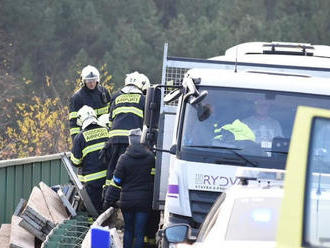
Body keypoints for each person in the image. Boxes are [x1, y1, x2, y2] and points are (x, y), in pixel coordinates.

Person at [102, 71, 150, 209]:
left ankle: (107, 200)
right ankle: (121, 198)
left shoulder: (116, 96)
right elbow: (147, 123)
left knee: (112, 170)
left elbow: (110, 118)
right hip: (131, 141)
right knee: (128, 169)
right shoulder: (142, 99)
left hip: (113, 139)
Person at [104, 128, 155, 248]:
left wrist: (110, 196)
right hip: (144, 201)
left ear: (130, 141)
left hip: (127, 201)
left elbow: (117, 180)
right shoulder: (150, 157)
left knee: (128, 231)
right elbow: (154, 177)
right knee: (140, 233)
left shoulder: (124, 158)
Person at [70, 105, 109, 213]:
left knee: (93, 213)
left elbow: (75, 161)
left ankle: (95, 229)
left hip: (92, 183)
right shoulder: (106, 131)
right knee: (106, 211)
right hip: (108, 180)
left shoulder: (80, 137)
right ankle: (107, 229)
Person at [69, 65, 111, 141]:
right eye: (89, 81)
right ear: (84, 81)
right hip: (87, 136)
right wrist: (76, 141)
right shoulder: (77, 98)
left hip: (105, 133)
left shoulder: (104, 92)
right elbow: (74, 124)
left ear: (97, 80)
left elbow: (111, 113)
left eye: (93, 80)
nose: (91, 84)